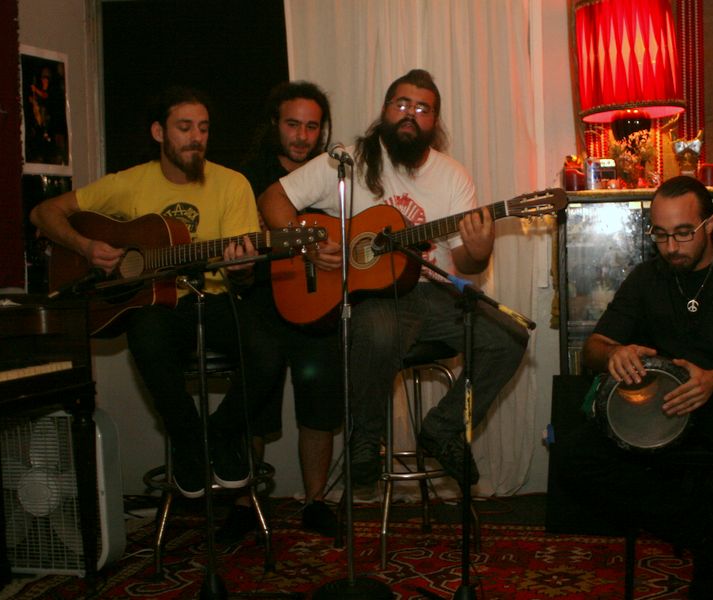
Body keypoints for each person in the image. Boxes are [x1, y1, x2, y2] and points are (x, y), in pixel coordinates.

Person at [258, 69, 528, 488]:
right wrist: (305, 245)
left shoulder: (452, 175)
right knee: (378, 331)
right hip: (374, 298)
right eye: (402, 104)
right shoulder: (347, 162)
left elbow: (467, 264)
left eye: (422, 108)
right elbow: (273, 198)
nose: (410, 114)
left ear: (435, 121)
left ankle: (444, 427)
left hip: (435, 294)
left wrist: (479, 249)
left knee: (510, 336)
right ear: (385, 109)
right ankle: (366, 438)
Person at [555, 175, 713, 600]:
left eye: (683, 233)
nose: (671, 247)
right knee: (575, 456)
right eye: (661, 234)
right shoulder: (646, 278)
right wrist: (614, 354)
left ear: (710, 224)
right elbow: (594, 346)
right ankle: (708, 529)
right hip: (660, 403)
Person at [30, 86, 265, 500]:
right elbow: (42, 212)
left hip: (214, 300)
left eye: (203, 128)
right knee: (146, 335)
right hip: (157, 303)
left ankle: (217, 436)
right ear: (159, 132)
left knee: (269, 352)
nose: (196, 137)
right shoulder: (130, 183)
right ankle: (187, 439)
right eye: (185, 127)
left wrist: (242, 268)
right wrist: (87, 247)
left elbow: (241, 276)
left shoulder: (232, 184)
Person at [218, 81, 341, 542]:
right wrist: (240, 270)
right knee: (255, 405)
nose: (302, 136)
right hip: (260, 304)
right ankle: (243, 502)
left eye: (312, 127)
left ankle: (316, 502)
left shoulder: (333, 176)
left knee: (319, 405)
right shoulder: (245, 180)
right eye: (293, 124)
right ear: (275, 124)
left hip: (319, 305)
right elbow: (236, 264)